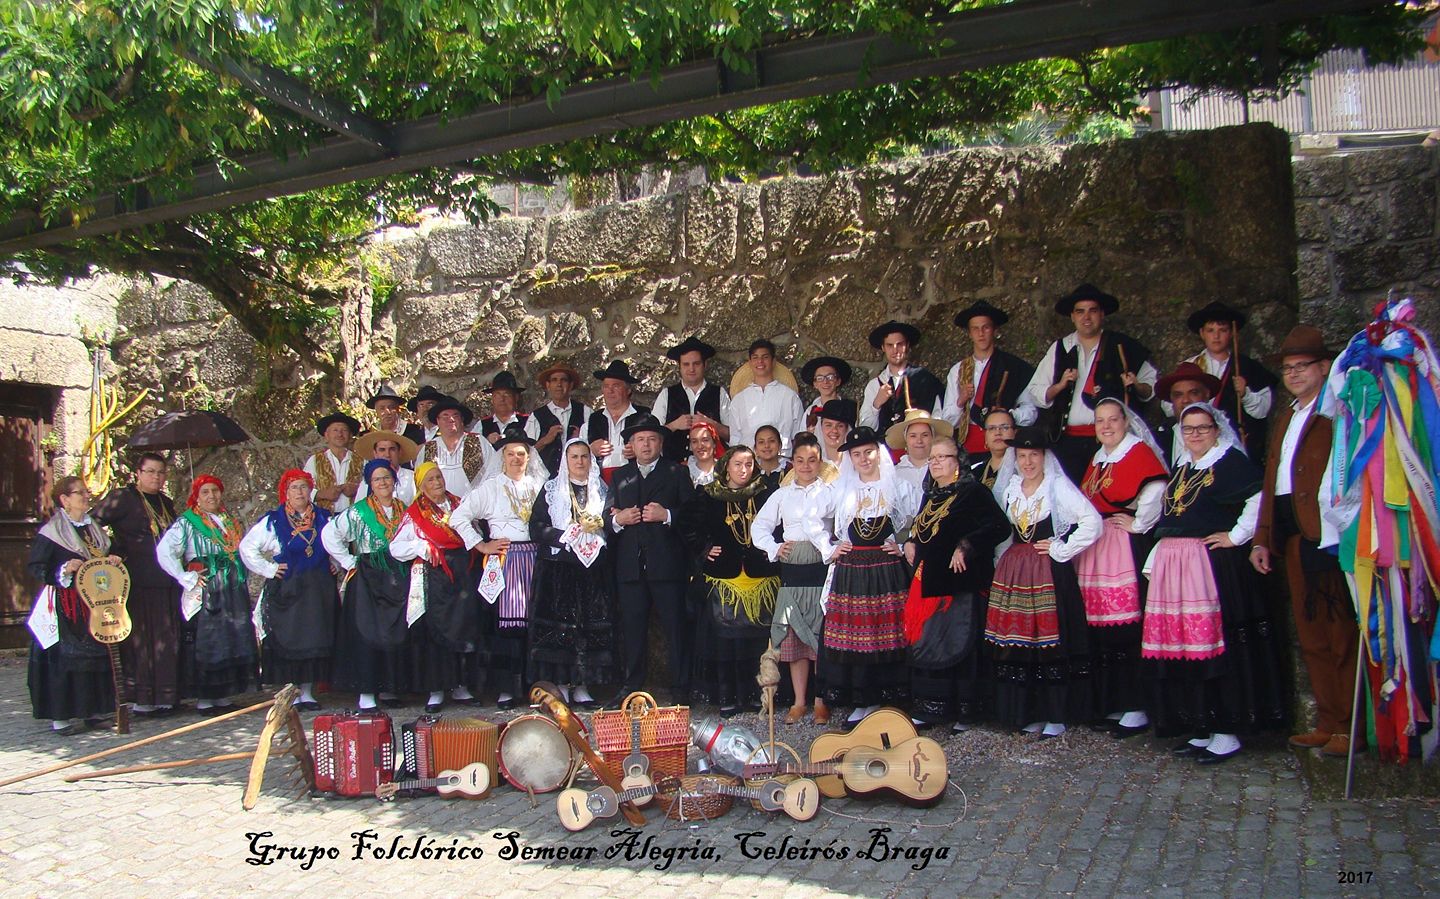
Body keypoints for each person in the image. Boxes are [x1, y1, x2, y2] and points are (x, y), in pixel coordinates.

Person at [1143, 404, 1287, 764]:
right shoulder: (1184, 466)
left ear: (1216, 429)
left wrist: (1237, 536)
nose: (1194, 435)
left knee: (1214, 646)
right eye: (1188, 429)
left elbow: (1258, 498)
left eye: (1202, 428)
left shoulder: (1230, 462)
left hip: (1210, 567)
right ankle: (1202, 724)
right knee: (1184, 647)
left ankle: (1227, 731)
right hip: (1177, 569)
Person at [1251, 325, 1357, 758]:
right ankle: (1329, 720)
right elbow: (1272, 480)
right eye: (1289, 367)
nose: (1293, 374)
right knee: (1311, 634)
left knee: (1340, 634)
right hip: (1293, 537)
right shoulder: (1287, 417)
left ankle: (1351, 725)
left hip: (1327, 535)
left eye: (1302, 366)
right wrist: (1262, 537)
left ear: (1323, 367)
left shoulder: (1336, 417)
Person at [984, 427, 1102, 738]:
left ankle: (1057, 714)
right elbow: (1003, 532)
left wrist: (1062, 549)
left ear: (1044, 457)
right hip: (1015, 571)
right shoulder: (1010, 488)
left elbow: (1092, 521)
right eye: (1022, 456)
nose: (1027, 462)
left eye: (1033, 455)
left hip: (1048, 572)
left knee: (1050, 640)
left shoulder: (1057, 487)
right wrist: (1001, 562)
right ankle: (1029, 711)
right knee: (1019, 641)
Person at [1074, 394, 1168, 737]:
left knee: (1127, 627)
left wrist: (1139, 524)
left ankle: (1136, 704)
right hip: (1099, 547)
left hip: (1123, 547)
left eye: (1113, 419)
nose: (1106, 426)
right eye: (1100, 421)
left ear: (1125, 421)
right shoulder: (1100, 458)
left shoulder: (1137, 452)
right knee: (1102, 629)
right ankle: (1113, 700)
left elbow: (1156, 488)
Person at [903, 437, 1009, 733]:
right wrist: (910, 543)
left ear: (957, 461)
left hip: (960, 582)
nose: (935, 462)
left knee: (959, 643)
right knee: (929, 643)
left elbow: (1000, 527)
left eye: (942, 457)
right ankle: (930, 708)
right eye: (932, 458)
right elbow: (922, 530)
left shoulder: (974, 492)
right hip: (929, 580)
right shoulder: (931, 495)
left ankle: (966, 711)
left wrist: (966, 545)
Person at [823, 425, 922, 724]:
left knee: (885, 633)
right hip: (852, 568)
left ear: (879, 453)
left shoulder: (900, 487)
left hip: (886, 568)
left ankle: (886, 701)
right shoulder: (842, 489)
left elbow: (923, 522)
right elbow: (809, 517)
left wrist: (904, 545)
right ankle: (862, 701)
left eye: (868, 452)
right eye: (857, 454)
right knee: (856, 637)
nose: (864, 459)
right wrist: (830, 547)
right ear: (850, 458)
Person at [450, 425, 549, 708]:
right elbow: (459, 517)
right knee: (506, 626)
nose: (516, 458)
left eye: (521, 454)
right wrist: (481, 545)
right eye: (510, 454)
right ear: (502, 457)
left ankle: (536, 687)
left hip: (536, 558)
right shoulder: (490, 487)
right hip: (505, 560)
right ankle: (508, 689)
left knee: (535, 623)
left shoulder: (539, 486)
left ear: (529, 457)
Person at [1023, 284, 1157, 482]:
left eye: (1092, 311)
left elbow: (1151, 387)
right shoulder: (1061, 348)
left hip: (1110, 441)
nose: (1086, 317)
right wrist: (1059, 386)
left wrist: (1136, 385)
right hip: (1067, 442)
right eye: (1080, 311)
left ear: (1102, 314)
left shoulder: (1121, 346)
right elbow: (1035, 392)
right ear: (1073, 316)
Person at [683, 444, 780, 715]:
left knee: (754, 641)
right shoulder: (708, 494)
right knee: (725, 642)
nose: (743, 470)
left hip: (759, 577)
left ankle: (752, 694)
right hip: (724, 579)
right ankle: (726, 695)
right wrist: (704, 547)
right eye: (738, 464)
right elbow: (686, 525)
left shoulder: (766, 493)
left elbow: (781, 525)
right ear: (726, 466)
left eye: (748, 464)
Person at [604, 413, 693, 702]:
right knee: (632, 629)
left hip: (667, 565)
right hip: (630, 566)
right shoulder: (620, 476)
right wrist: (620, 520)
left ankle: (681, 688)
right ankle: (632, 686)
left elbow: (693, 516)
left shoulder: (676, 473)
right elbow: (607, 518)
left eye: (652, 439)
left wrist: (666, 515)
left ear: (661, 443)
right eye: (640, 439)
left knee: (675, 627)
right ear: (631, 444)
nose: (646, 444)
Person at [751, 432, 836, 725]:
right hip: (791, 572)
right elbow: (759, 526)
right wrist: (775, 548)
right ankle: (799, 702)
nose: (806, 465)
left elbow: (845, 525)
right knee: (795, 640)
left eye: (812, 460)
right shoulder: (781, 494)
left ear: (819, 462)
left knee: (820, 639)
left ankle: (820, 701)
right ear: (792, 463)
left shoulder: (830, 492)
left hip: (821, 571)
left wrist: (833, 549)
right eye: (800, 460)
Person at [156, 475, 259, 714]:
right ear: (197, 497)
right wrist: (183, 576)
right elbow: (164, 551)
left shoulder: (229, 521)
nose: (211, 496)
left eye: (215, 490)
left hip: (231, 585)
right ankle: (205, 698)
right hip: (209, 585)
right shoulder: (187, 522)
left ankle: (222, 695)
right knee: (209, 638)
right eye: (205, 492)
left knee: (230, 636)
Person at [27, 477, 122, 734]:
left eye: (86, 492)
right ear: (64, 499)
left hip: (94, 601)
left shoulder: (93, 529)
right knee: (65, 658)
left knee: (95, 657)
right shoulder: (52, 532)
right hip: (66, 605)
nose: (85, 496)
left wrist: (112, 560)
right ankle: (61, 716)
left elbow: (103, 557)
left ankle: (92, 711)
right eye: (79, 493)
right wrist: (64, 568)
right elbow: (37, 567)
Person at [528, 438, 617, 708]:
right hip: (559, 570)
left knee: (587, 629)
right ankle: (562, 687)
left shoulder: (602, 490)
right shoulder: (551, 490)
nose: (579, 462)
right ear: (565, 461)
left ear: (591, 461)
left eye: (584, 457)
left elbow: (611, 524)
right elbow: (536, 527)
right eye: (574, 457)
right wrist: (563, 536)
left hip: (592, 571)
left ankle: (583, 686)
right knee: (562, 630)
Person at [238, 469, 336, 711]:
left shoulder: (324, 517)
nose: (300, 492)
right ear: (285, 492)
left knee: (315, 636)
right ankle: (292, 691)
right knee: (292, 637)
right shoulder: (273, 521)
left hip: (318, 589)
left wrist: (335, 561)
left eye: (304, 486)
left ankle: (307, 692)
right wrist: (269, 569)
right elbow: (247, 547)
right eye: (294, 487)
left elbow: (338, 541)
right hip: (289, 587)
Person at [93, 453, 183, 716]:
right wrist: (115, 549)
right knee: (143, 637)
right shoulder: (123, 498)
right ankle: (143, 698)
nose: (157, 477)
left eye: (161, 473)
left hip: (167, 578)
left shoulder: (165, 502)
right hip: (138, 579)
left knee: (167, 636)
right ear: (138, 473)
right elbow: (92, 523)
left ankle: (166, 695)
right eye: (151, 472)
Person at [322, 458, 412, 711]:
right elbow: (330, 534)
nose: (382, 482)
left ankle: (390, 687)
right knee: (367, 633)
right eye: (377, 479)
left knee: (396, 631)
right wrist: (348, 561)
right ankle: (367, 693)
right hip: (369, 576)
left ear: (394, 481)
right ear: (369, 484)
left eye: (386, 477)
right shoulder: (358, 512)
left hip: (398, 574)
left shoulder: (404, 509)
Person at [390, 461, 479, 713]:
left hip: (462, 572)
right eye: (430, 479)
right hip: (435, 576)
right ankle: (436, 691)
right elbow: (395, 548)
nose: (437, 483)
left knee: (463, 627)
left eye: (439, 477)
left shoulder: (459, 504)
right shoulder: (415, 513)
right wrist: (420, 547)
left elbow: (474, 531)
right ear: (421, 485)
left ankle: (461, 687)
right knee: (436, 632)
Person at [1181, 301, 1277, 461]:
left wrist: (1245, 394)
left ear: (1232, 333)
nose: (1216, 336)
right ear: (1202, 333)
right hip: (1198, 442)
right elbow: (1170, 406)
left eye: (1222, 330)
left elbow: (1263, 410)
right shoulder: (1190, 367)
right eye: (1210, 330)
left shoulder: (1248, 367)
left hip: (1236, 444)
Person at [940, 301, 1036, 461]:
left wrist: (1008, 416)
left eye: (986, 327)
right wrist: (960, 401)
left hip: (1004, 445)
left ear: (994, 330)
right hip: (969, 446)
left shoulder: (1014, 367)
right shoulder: (958, 371)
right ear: (969, 333)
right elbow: (948, 422)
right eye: (975, 329)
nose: (981, 333)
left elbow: (1031, 411)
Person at [653, 335, 731, 462]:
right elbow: (652, 435)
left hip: (712, 470)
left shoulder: (719, 393)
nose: (691, 369)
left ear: (705, 365)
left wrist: (711, 424)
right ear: (680, 366)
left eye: (696, 363)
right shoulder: (666, 395)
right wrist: (674, 425)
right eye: (686, 364)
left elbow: (732, 435)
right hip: (674, 468)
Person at [859, 320, 944, 434]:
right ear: (883, 347)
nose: (895, 350)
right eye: (890, 345)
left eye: (900, 344)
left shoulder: (926, 379)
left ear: (907, 345)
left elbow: (939, 418)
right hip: (886, 449)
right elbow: (865, 428)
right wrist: (876, 404)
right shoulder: (874, 385)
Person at [726, 339, 805, 449]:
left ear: (773, 361)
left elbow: (798, 434)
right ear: (750, 362)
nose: (760, 361)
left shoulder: (790, 396)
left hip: (782, 459)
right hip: (749, 461)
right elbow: (735, 437)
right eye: (755, 358)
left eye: (765, 357)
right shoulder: (739, 399)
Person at [415, 395, 495, 497]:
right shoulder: (428, 448)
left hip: (475, 508)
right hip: (439, 509)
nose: (451, 419)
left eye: (455, 415)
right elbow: (419, 482)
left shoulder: (478, 442)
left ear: (462, 420)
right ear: (438, 421)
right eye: (445, 416)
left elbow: (494, 472)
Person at [588, 360, 650, 483]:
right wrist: (591, 450)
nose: (610, 391)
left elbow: (656, 446)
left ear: (628, 390)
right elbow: (579, 452)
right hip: (601, 481)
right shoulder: (595, 418)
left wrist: (640, 451)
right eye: (606, 386)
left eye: (616, 386)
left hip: (635, 479)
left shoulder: (642, 415)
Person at [526, 362, 592, 476]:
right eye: (554, 380)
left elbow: (594, 449)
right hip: (546, 478)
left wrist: (581, 439)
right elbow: (526, 453)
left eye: (563, 380)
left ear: (571, 385)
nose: (559, 384)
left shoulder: (585, 412)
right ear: (548, 385)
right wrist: (545, 440)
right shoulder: (537, 416)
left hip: (578, 478)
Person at [1153, 362, 1221, 467]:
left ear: (1206, 394)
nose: (1185, 400)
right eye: (1178, 395)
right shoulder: (1159, 438)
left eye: (1193, 393)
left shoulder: (1222, 436)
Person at [304, 412, 363, 513]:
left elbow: (372, 488)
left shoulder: (362, 461)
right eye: (335, 430)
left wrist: (358, 489)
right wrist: (321, 494)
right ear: (327, 436)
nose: (340, 434)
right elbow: (302, 489)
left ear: (350, 435)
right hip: (323, 520)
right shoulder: (314, 460)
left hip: (354, 519)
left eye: (344, 430)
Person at [887, 407, 952, 489]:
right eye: (913, 436)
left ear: (933, 437)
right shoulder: (893, 473)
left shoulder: (944, 468)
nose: (919, 441)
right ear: (905, 439)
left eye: (925, 435)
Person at [353, 429, 419, 505]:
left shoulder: (413, 478)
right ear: (375, 453)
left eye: (392, 449)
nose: (387, 454)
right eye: (382, 450)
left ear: (399, 452)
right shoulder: (367, 482)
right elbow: (359, 511)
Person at [801, 356, 856, 432]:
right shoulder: (810, 411)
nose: (825, 382)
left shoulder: (849, 409)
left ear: (838, 381)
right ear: (815, 384)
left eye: (830, 377)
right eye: (820, 378)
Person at [477, 371, 529, 443]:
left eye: (506, 394)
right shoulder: (482, 425)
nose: (502, 399)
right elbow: (473, 451)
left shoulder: (528, 421)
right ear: (492, 398)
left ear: (516, 397)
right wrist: (486, 442)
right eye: (497, 395)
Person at [971, 408, 1016, 490]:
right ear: (985, 436)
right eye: (992, 428)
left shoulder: (1024, 468)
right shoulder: (975, 473)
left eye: (1005, 427)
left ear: (1015, 433)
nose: (998, 433)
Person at [816, 399, 854, 465]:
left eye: (840, 426)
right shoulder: (812, 461)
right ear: (820, 427)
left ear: (847, 429)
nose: (834, 430)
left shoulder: (856, 461)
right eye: (828, 425)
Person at [686, 420, 723, 486]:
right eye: (694, 441)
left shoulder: (725, 471)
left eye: (705, 440)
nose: (700, 446)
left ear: (714, 443)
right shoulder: (684, 471)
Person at [753, 424, 789, 489]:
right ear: (755, 448)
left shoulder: (790, 472)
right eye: (761, 442)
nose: (766, 445)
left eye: (771, 441)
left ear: (780, 445)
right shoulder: (751, 474)